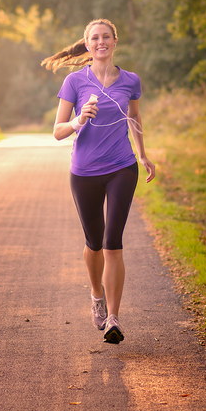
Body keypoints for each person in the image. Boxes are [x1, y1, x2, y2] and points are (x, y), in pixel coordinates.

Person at [43, 19, 155, 344]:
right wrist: (79, 120)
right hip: (84, 173)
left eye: (106, 37)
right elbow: (57, 131)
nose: (101, 42)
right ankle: (96, 295)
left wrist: (143, 155)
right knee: (94, 245)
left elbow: (134, 118)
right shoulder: (75, 81)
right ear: (87, 44)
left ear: (114, 42)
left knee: (112, 243)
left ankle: (114, 319)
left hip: (122, 167)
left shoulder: (130, 80)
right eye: (95, 38)